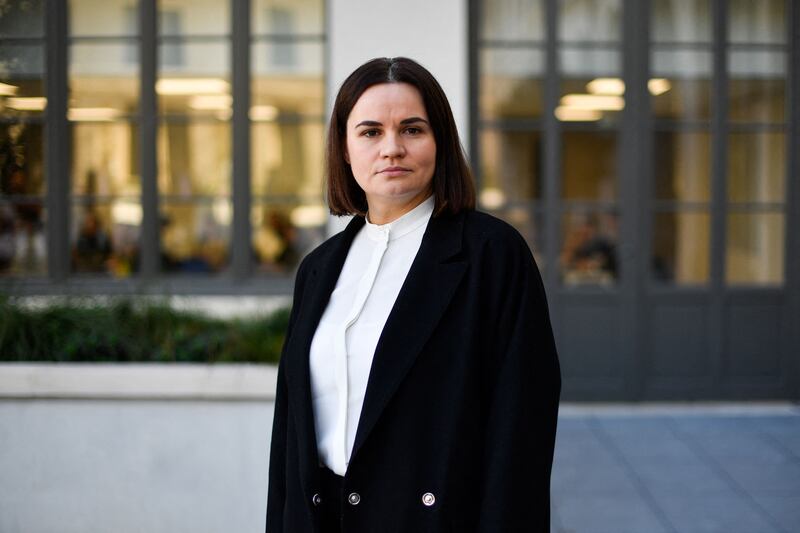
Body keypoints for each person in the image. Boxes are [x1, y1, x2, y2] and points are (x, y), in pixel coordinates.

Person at [266, 57, 560, 533]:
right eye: (369, 132)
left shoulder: (493, 256)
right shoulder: (317, 270)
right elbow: (288, 438)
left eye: (412, 129)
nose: (392, 148)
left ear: (440, 142)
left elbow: (520, 435)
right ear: (343, 148)